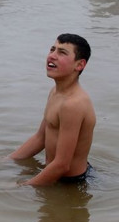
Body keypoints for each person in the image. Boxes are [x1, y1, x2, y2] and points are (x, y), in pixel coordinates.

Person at [9, 33, 96, 186]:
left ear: (79, 65)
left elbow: (62, 165)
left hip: (70, 184)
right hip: (54, 173)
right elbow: (40, 138)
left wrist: (20, 187)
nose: (52, 56)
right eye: (52, 49)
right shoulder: (55, 92)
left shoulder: (73, 104)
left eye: (62, 53)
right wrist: (4, 161)